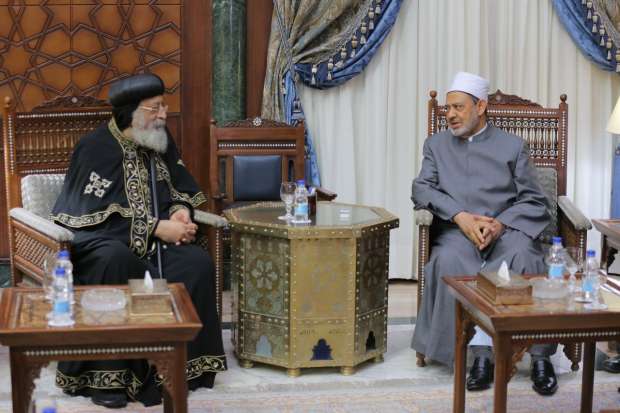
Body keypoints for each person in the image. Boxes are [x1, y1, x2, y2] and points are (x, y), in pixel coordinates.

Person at [51, 73, 226, 408]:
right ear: (130, 112)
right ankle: (109, 380)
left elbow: (179, 186)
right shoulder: (94, 148)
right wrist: (155, 228)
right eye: (155, 108)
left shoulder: (159, 138)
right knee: (113, 260)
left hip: (157, 244)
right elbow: (86, 216)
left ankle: (184, 370)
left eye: (164, 106)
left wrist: (180, 212)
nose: (163, 114)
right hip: (103, 243)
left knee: (197, 264)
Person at [411, 72, 558, 396]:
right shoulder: (435, 145)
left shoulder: (513, 146)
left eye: (458, 107)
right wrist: (460, 216)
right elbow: (422, 188)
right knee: (448, 261)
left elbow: (534, 200)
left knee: (526, 258)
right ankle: (479, 356)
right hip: (457, 234)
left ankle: (540, 357)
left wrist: (500, 224)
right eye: (448, 108)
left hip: (506, 232)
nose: (450, 114)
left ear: (480, 107)